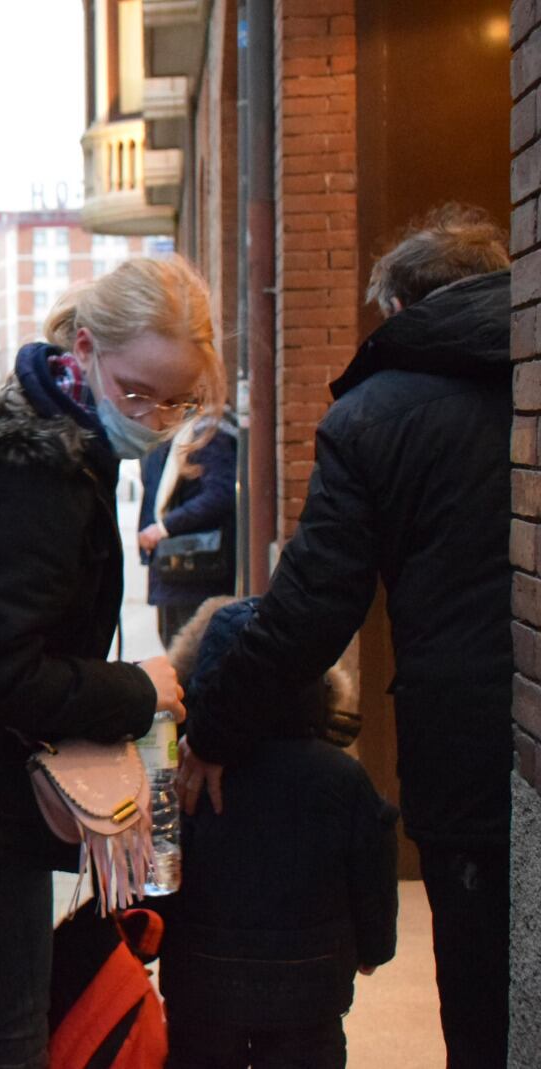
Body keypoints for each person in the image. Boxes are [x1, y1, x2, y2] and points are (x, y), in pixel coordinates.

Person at [177, 205, 512, 1068]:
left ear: (397, 310)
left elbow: (313, 606)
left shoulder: (376, 415)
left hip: (474, 743)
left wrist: (212, 728)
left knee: (485, 984)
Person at [0, 255, 226, 1069]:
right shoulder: (34, 472)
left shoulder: (51, 443)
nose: (155, 414)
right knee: (0, 1034)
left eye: (178, 399)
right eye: (136, 390)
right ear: (84, 348)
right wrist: (132, 688)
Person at [159, 598, 399, 1069]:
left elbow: (159, 868)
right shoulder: (341, 777)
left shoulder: (186, 776)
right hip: (309, 989)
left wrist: (148, 935)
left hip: (201, 983)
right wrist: (375, 946)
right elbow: (372, 865)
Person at [137, 414, 237, 644]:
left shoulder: (208, 434)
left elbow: (220, 494)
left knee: (188, 653)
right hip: (174, 568)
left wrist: (164, 527)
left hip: (194, 568)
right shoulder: (172, 433)